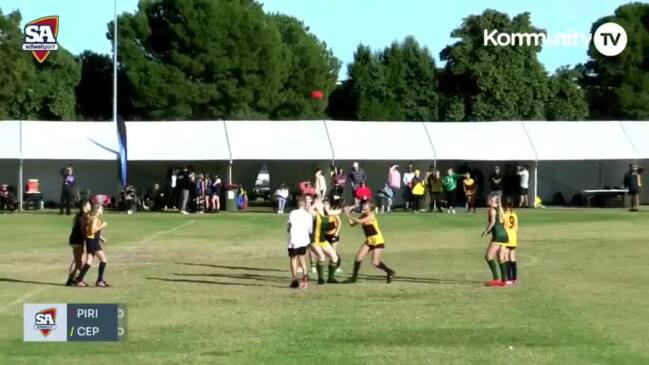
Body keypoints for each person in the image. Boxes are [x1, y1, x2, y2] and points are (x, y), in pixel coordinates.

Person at [344, 202, 395, 283]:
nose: (363, 208)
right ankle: (354, 278)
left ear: (370, 209)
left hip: (378, 241)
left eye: (365, 207)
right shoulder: (363, 215)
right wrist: (348, 216)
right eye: (364, 207)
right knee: (358, 258)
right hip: (369, 241)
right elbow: (352, 224)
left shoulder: (371, 216)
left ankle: (389, 272)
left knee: (375, 262)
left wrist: (348, 214)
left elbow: (360, 221)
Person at [75, 204, 110, 287]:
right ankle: (99, 281)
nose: (102, 210)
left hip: (91, 241)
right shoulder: (94, 219)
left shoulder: (92, 218)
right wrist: (102, 225)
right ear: (97, 210)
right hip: (93, 242)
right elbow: (92, 230)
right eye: (101, 209)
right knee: (103, 259)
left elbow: (90, 231)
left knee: (89, 262)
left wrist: (100, 238)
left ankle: (79, 280)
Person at [308, 199, 340, 284]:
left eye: (322, 203)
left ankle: (331, 278)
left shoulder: (327, 213)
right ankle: (321, 279)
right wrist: (315, 204)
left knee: (334, 257)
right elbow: (310, 210)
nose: (322, 204)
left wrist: (347, 209)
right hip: (313, 239)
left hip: (322, 239)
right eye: (321, 203)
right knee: (321, 256)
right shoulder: (315, 214)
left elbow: (338, 212)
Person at [480, 195, 509, 287]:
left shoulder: (492, 209)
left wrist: (486, 231)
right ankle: (504, 280)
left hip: (498, 235)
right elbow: (501, 222)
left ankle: (496, 278)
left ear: (493, 202)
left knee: (488, 256)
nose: (487, 200)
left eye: (489, 200)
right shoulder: (500, 209)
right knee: (501, 258)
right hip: (504, 235)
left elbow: (492, 222)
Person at [287, 198, 312, 289]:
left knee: (293, 258)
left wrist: (289, 230)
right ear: (304, 205)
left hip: (293, 240)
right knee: (302, 258)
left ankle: (294, 279)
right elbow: (310, 230)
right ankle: (305, 274)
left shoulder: (292, 213)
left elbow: (289, 226)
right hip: (303, 240)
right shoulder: (308, 215)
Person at [65, 199, 91, 286]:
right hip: (78, 240)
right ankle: (76, 280)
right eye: (89, 205)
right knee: (79, 262)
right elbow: (83, 230)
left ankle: (71, 279)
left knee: (78, 261)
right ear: (84, 207)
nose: (90, 206)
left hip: (74, 239)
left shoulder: (78, 215)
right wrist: (89, 239)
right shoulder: (83, 216)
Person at [500, 197, 519, 285]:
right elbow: (516, 227)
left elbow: (501, 225)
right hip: (514, 237)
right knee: (512, 257)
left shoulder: (504, 215)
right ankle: (515, 278)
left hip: (506, 237)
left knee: (506, 257)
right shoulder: (514, 214)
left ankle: (509, 278)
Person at [323, 200, 344, 273]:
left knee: (333, 252)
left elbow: (339, 222)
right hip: (325, 235)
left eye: (326, 204)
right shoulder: (322, 213)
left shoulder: (333, 213)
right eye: (324, 204)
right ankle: (337, 263)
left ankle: (335, 267)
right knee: (327, 251)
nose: (324, 205)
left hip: (333, 234)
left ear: (329, 206)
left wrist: (337, 232)